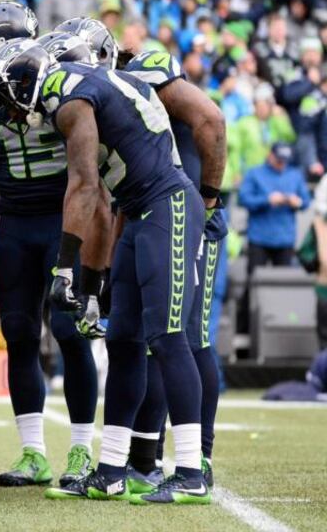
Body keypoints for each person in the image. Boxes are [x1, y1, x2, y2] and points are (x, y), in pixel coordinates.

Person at [0, 39, 207, 504]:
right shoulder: (80, 88)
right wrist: (92, 282)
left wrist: (64, 270)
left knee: (166, 336)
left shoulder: (70, 97)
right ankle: (111, 469)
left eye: (5, 100)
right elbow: (107, 202)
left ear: (20, 85)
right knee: (123, 339)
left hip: (167, 206)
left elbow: (84, 187)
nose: (7, 114)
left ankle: (190, 471)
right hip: (136, 211)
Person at [0, 3, 100, 489]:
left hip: (64, 217)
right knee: (17, 332)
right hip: (15, 218)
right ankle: (33, 452)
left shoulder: (63, 79)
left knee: (69, 329)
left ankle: (82, 449)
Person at [122, 49, 228, 492]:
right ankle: (146, 457)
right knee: (159, 337)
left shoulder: (144, 70)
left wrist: (206, 199)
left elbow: (212, 119)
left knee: (186, 336)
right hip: (155, 214)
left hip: (188, 213)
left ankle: (198, 458)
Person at [239, 142, 310, 271]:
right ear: (270, 156)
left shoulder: (295, 174)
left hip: (285, 238)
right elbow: (243, 199)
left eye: (285, 161)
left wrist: (297, 202)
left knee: (282, 284)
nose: (282, 164)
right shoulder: (254, 173)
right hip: (259, 237)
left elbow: (306, 202)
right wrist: (267, 200)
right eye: (279, 160)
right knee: (254, 282)